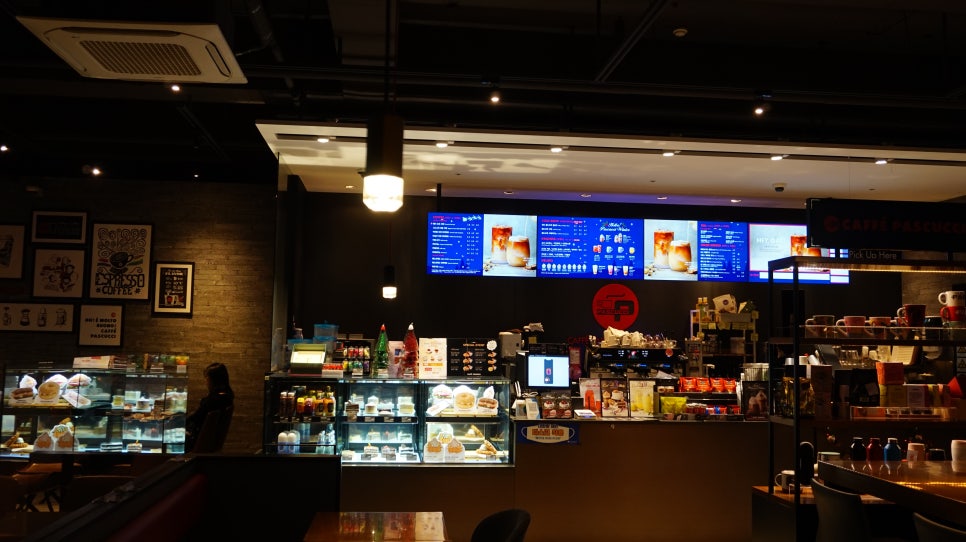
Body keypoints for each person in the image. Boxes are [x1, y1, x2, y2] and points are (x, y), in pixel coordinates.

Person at [184, 362, 234, 452]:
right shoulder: (227, 397)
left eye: (207, 378)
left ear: (214, 380)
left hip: (195, 441)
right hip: (208, 441)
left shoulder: (214, 400)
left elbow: (196, 417)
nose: (206, 382)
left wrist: (179, 422)